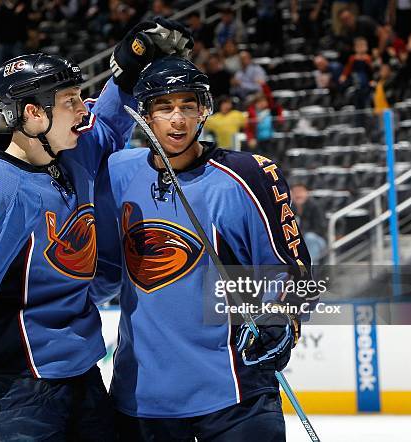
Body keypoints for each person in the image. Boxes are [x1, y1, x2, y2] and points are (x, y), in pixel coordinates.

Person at [0, 19, 193, 441]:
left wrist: (128, 71)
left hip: (79, 373)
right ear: (33, 114)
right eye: (69, 102)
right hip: (10, 386)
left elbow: (104, 128)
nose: (81, 109)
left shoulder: (70, 154)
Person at [92, 56, 313, 441]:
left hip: (236, 398)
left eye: (187, 106)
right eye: (164, 107)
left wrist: (282, 317)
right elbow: (106, 268)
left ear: (203, 111)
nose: (177, 119)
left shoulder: (247, 175)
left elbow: (291, 268)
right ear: (144, 115)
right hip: (142, 402)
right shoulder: (117, 171)